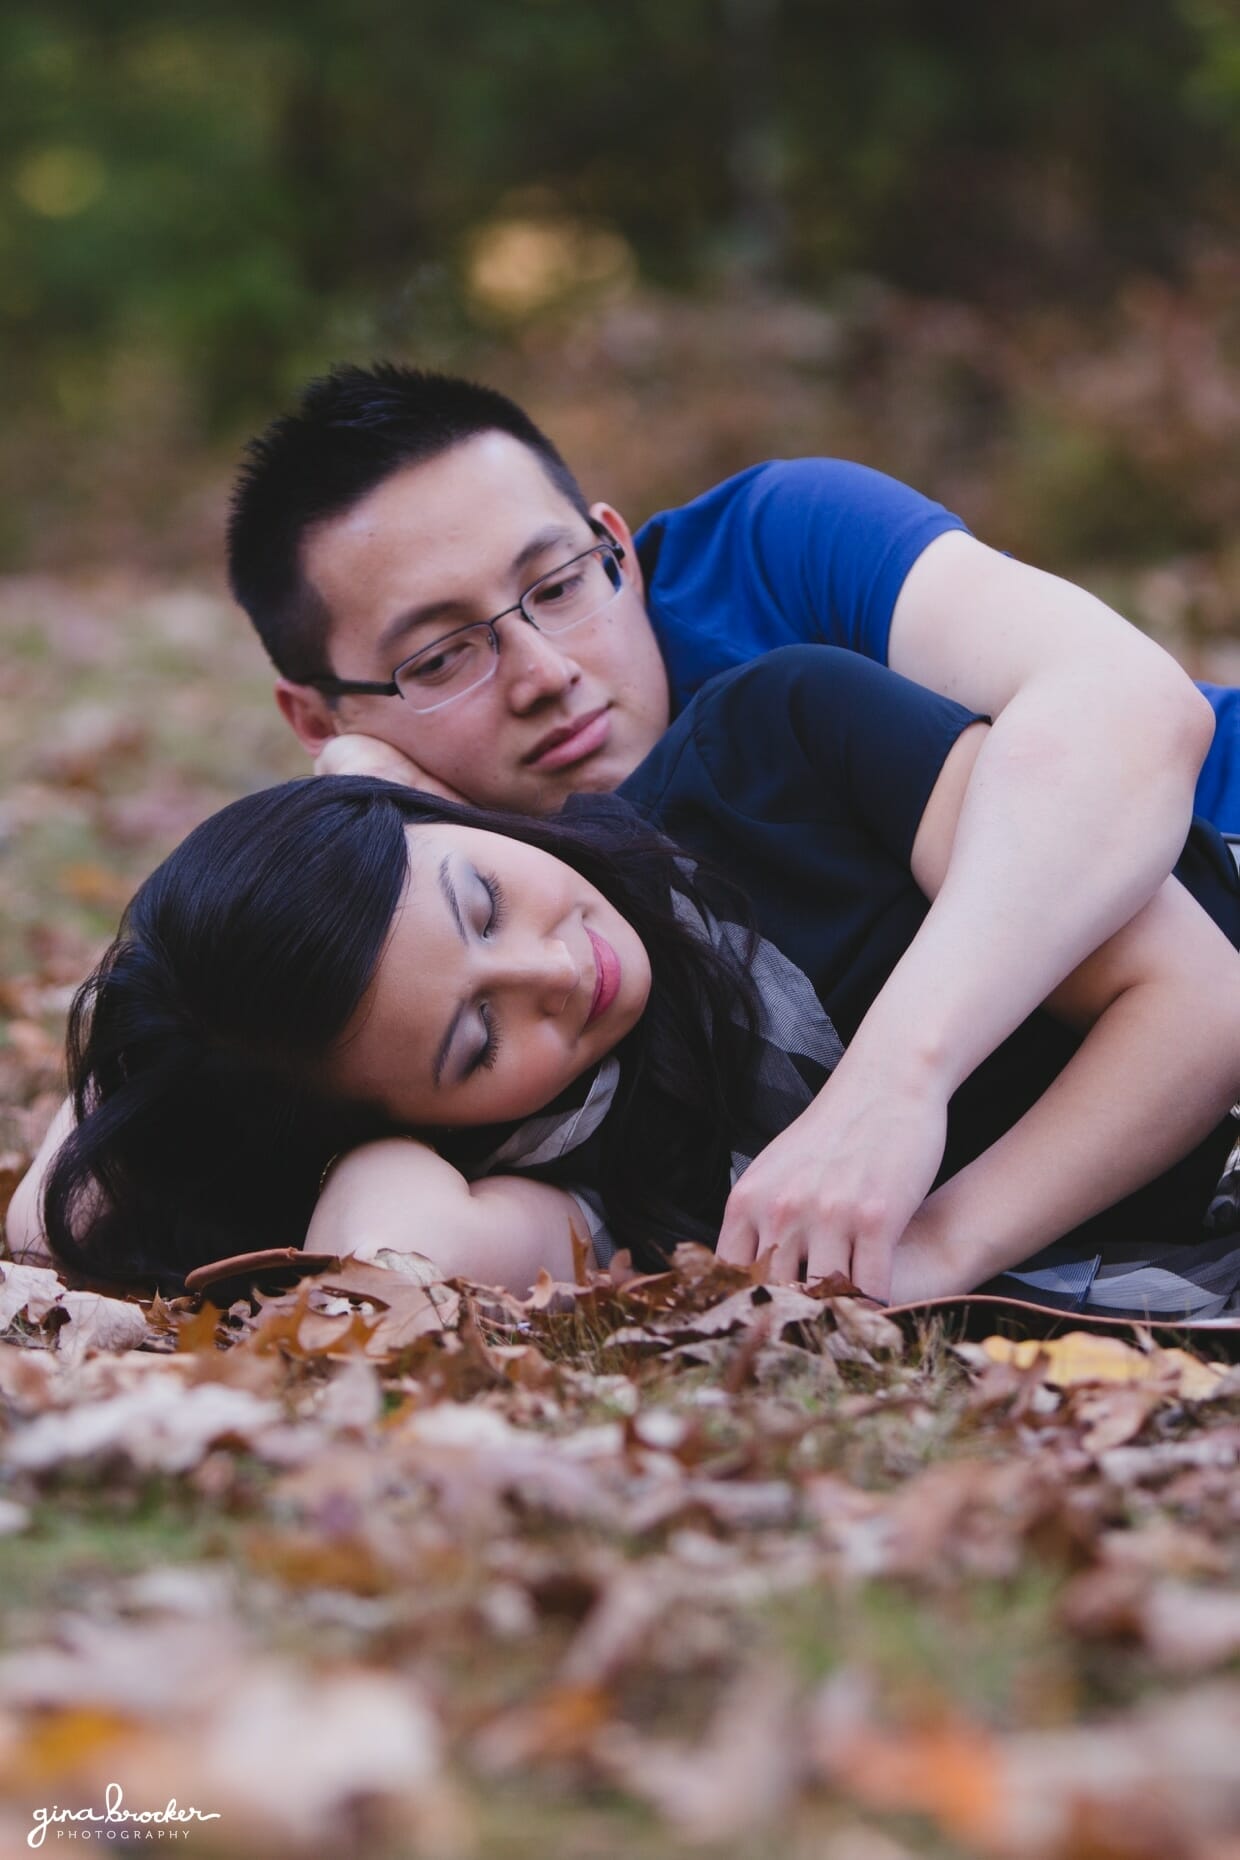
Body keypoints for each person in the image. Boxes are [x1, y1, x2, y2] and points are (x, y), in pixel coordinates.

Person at [213, 362, 1234, 1290]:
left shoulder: (774, 558)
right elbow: (168, 1074)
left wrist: (891, 1085)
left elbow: (1130, 711)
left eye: (560, 585)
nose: (545, 673)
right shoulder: (457, 913)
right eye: (440, 659)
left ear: (612, 541)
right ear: (319, 718)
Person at [32, 648, 1240, 1319]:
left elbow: (1200, 1004)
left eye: (481, 901)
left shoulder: (774, 755)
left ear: (427, 810)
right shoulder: (591, 1169)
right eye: (472, 1041)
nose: (555, 970)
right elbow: (61, 1216)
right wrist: (334, 1145)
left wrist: (930, 1238)